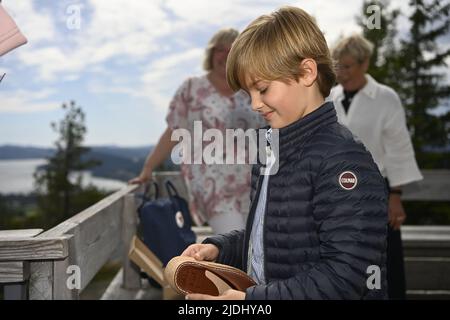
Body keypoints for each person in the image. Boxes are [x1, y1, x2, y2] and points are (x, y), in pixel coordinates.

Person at [181, 6, 388, 300]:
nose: (254, 104)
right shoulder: (272, 153)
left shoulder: (343, 161)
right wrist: (220, 248)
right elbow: (270, 239)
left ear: (306, 73)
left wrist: (249, 301)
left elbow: (346, 278)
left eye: (262, 89)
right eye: (248, 94)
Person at [129, 28, 265, 235]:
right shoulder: (192, 88)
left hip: (256, 184)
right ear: (211, 54)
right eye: (221, 49)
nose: (226, 55)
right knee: (235, 246)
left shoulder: (251, 89)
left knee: (258, 249)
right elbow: (173, 131)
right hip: (214, 186)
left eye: (233, 50)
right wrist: (147, 168)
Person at [329, 34, 423, 299]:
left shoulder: (386, 98)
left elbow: (398, 148)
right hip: (333, 192)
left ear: (364, 63)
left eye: (347, 66)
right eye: (337, 66)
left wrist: (396, 195)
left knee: (383, 260)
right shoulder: (328, 98)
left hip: (375, 192)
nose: (341, 72)